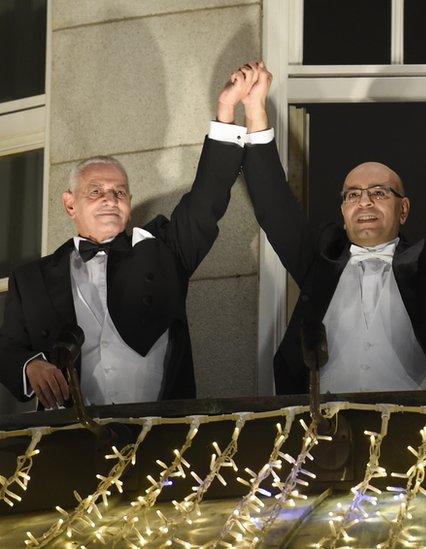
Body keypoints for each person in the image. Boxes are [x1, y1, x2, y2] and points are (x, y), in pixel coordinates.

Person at [0, 63, 269, 409]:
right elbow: (6, 347)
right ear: (70, 204)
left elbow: (205, 201)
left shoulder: (164, 251)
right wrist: (29, 365)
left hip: (163, 438)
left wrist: (226, 111)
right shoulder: (30, 279)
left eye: (119, 192)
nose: (110, 198)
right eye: (95, 191)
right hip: (70, 440)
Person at [239, 68, 426, 395]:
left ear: (403, 209)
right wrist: (254, 111)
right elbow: (273, 207)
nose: (364, 202)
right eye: (353, 194)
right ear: (343, 211)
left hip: (418, 437)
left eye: (379, 193)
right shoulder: (319, 258)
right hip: (323, 437)